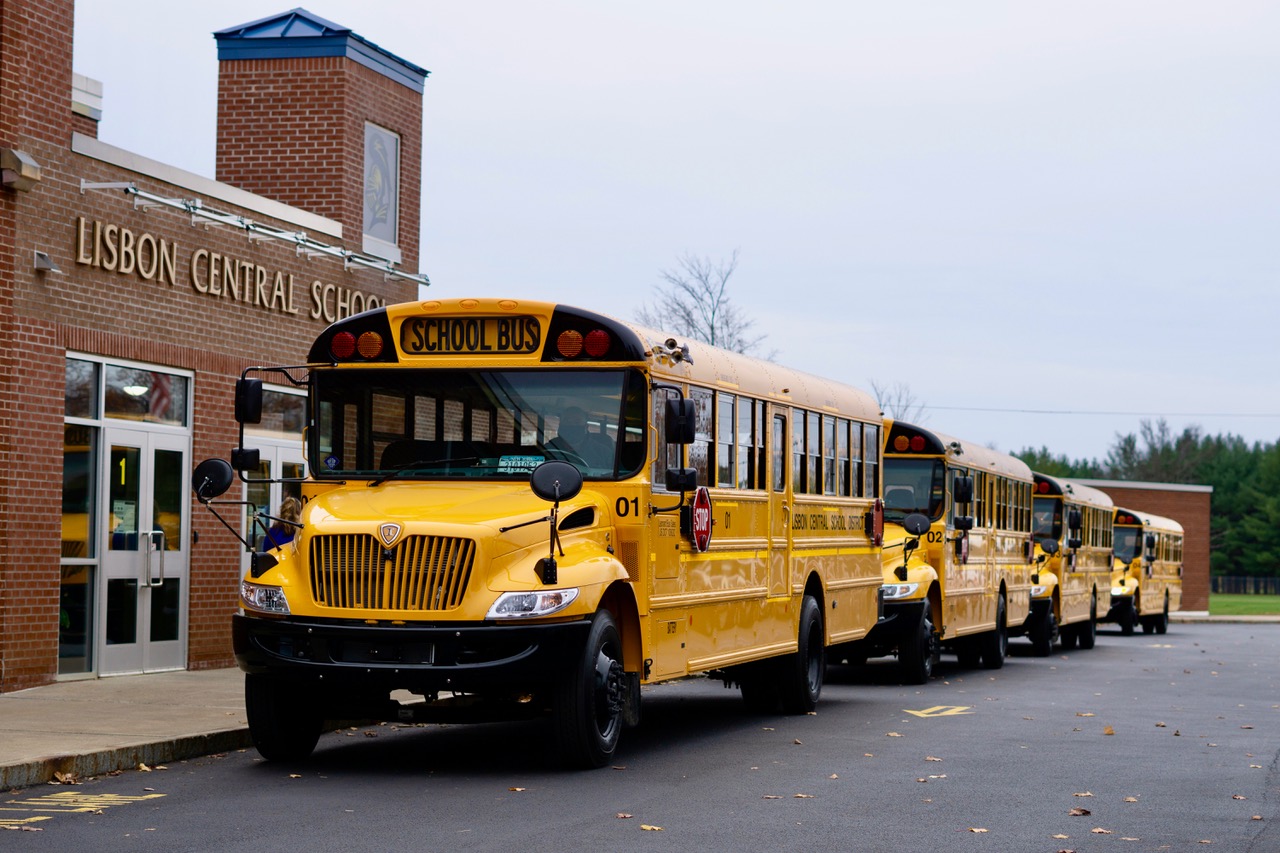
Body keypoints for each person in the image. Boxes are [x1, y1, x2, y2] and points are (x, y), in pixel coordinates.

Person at [547, 406, 615, 469]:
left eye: (577, 422)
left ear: (586, 427)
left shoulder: (603, 453)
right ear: (560, 425)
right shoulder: (548, 448)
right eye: (567, 421)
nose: (571, 425)